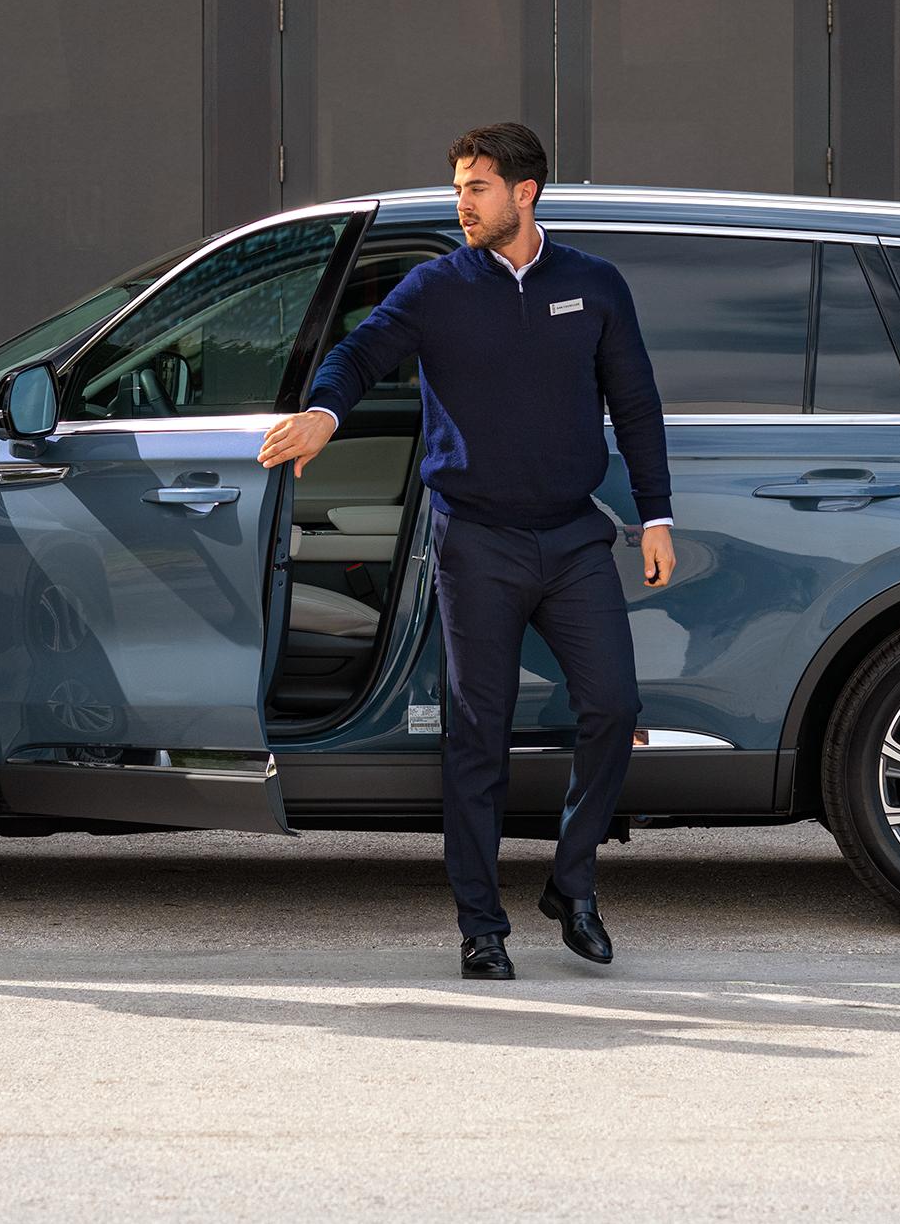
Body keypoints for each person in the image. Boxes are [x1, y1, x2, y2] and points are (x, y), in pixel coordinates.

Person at [259, 122, 674, 981]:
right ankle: (480, 926)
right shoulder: (436, 287)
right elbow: (359, 352)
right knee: (476, 735)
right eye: (458, 187)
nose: (462, 202)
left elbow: (635, 404)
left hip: (571, 537)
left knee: (612, 706)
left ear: (525, 193)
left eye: (476, 187)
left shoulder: (593, 285)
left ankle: (572, 879)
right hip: (475, 540)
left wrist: (658, 517)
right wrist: (325, 414)